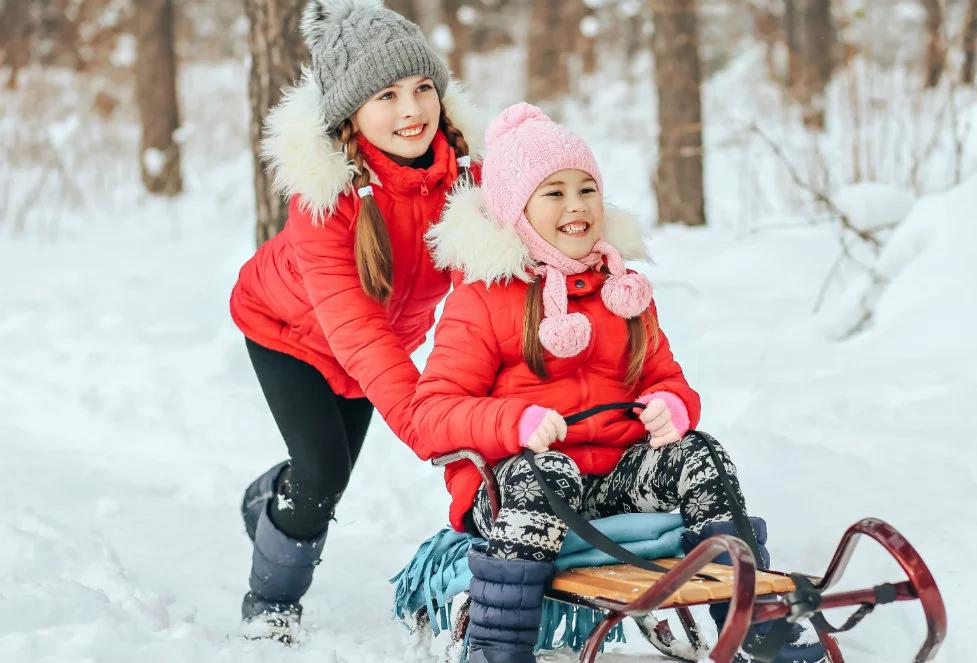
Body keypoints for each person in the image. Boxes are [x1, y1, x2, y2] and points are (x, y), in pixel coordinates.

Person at [410, 103, 826, 663]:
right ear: (515, 209)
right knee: (546, 470)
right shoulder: (481, 300)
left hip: (612, 479)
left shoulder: (624, 292)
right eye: (553, 193)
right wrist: (514, 423)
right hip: (514, 491)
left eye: (587, 189)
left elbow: (667, 379)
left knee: (699, 454)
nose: (577, 206)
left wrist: (672, 406)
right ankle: (498, 646)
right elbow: (431, 413)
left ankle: (753, 620)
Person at [227, 0, 480, 640]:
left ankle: (268, 499)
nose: (412, 110)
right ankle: (271, 602)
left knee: (322, 480)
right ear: (351, 113)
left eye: (424, 88)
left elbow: (491, 292)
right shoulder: (326, 198)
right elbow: (356, 327)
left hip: (377, 346)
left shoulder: (466, 176)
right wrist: (426, 422)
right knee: (322, 477)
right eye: (387, 95)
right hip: (286, 333)